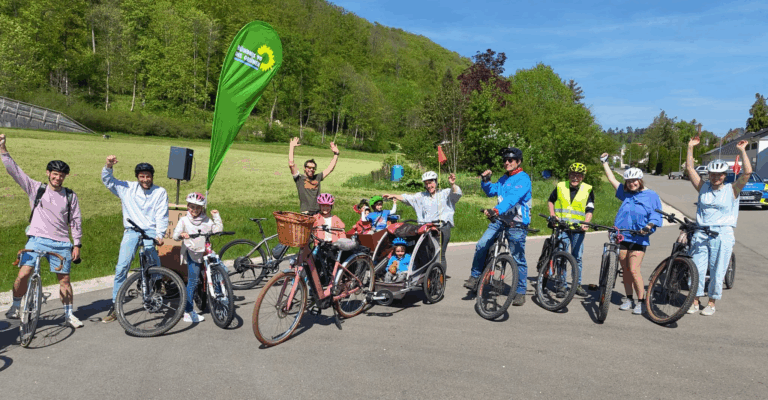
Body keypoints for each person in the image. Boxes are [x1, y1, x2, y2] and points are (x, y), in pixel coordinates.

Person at [1, 134, 84, 328]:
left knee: (64, 280)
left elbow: (76, 221)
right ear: (48, 173)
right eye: (55, 174)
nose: (58, 178)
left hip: (61, 243)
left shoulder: (70, 196)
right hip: (37, 240)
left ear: (65, 177)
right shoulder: (36, 188)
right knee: (23, 274)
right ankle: (15, 305)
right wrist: (2, 149)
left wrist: (77, 244)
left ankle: (69, 314)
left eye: (61, 175)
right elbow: (15, 171)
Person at [684, 138, 750, 316]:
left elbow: (747, 173)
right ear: (709, 175)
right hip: (701, 232)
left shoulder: (732, 189)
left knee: (717, 269)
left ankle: (711, 302)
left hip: (722, 233)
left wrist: (742, 151)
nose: (715, 177)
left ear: (725, 175)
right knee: (696, 268)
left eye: (719, 174)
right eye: (712, 174)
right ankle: (695, 301)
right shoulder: (703, 187)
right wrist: (690, 147)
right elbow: (690, 169)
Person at [101, 155, 168, 323]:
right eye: (142, 176)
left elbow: (162, 215)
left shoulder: (160, 192)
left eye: (148, 176)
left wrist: (160, 235)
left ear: (152, 176)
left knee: (152, 256)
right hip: (131, 230)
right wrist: (108, 166)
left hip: (150, 230)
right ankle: (116, 304)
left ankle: (157, 282)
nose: (145, 179)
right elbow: (108, 181)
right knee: (122, 267)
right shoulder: (127, 188)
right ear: (137, 177)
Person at [464, 147, 532, 307]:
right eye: (505, 160)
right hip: (500, 219)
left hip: (517, 223)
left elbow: (512, 198)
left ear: (518, 162)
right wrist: (486, 181)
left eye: (510, 160)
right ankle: (475, 277)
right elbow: (491, 191)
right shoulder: (503, 179)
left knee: (518, 258)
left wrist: (496, 210)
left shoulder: (523, 179)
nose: (507, 162)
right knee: (482, 244)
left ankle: (520, 291)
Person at [599, 154, 662, 315]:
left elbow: (656, 215)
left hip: (639, 237)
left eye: (634, 181)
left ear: (640, 180)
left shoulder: (651, 195)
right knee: (625, 270)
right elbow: (612, 179)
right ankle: (629, 299)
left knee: (634, 269)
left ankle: (641, 301)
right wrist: (604, 163)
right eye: (628, 181)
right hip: (622, 236)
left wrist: (648, 227)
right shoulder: (626, 193)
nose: (631, 183)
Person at [383, 172, 461, 275]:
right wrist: (393, 195)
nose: (429, 186)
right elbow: (407, 198)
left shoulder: (445, 193)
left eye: (431, 183)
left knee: (439, 255)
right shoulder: (421, 196)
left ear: (436, 182)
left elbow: (456, 194)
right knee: (423, 252)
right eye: (426, 183)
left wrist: (452, 184)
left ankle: (439, 278)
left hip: (442, 228)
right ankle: (426, 275)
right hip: (425, 229)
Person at [172, 192, 223, 323]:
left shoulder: (206, 220)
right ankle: (188, 312)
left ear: (202, 208)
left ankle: (221, 295)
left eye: (198, 207)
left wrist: (216, 216)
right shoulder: (184, 220)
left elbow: (217, 230)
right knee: (193, 281)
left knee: (220, 270)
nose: (194, 210)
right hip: (192, 251)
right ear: (188, 206)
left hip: (204, 250)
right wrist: (182, 235)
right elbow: (175, 236)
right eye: (192, 206)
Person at [547, 162, 594, 297]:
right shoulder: (561, 186)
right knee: (561, 256)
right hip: (562, 227)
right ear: (569, 175)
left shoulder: (588, 189)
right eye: (573, 174)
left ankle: (576, 284)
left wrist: (586, 222)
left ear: (582, 177)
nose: (575, 177)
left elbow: (590, 209)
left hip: (578, 229)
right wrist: (553, 215)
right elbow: (551, 201)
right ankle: (562, 285)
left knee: (577, 257)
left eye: (578, 175)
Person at [288, 137, 339, 215]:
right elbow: (291, 164)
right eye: (309, 167)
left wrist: (336, 154)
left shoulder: (317, 177)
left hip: (318, 212)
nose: (311, 169)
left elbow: (330, 169)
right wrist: (292, 147)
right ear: (304, 168)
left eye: (313, 168)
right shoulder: (299, 178)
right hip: (306, 213)